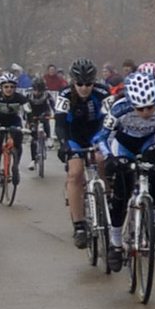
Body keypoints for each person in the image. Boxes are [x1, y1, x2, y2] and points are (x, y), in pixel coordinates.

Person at [92, 71, 155, 271]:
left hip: (151, 140)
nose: (146, 112)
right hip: (125, 144)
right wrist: (109, 157)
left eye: (150, 107)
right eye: (141, 108)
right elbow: (101, 138)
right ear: (131, 103)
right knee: (121, 192)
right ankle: (116, 244)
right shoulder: (119, 110)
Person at [56, 58, 112, 248]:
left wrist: (106, 141)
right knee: (75, 173)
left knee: (102, 160)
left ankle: (108, 197)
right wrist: (64, 144)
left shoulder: (103, 92)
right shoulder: (64, 95)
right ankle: (79, 224)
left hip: (97, 134)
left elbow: (109, 120)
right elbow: (60, 124)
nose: (84, 88)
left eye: (88, 83)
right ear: (73, 81)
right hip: (74, 136)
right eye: (80, 84)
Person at [0, 73, 29, 185]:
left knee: (17, 142)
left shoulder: (20, 98)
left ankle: (15, 167)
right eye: (6, 87)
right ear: (1, 87)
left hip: (14, 121)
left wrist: (30, 125)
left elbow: (28, 111)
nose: (9, 89)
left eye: (12, 87)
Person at [24, 77, 55, 170]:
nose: (37, 92)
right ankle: (33, 160)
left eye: (39, 90)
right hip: (32, 114)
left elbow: (53, 105)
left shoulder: (47, 95)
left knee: (45, 121)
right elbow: (25, 108)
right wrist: (26, 119)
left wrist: (56, 113)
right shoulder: (28, 95)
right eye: (35, 90)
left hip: (44, 112)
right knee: (34, 137)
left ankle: (49, 138)